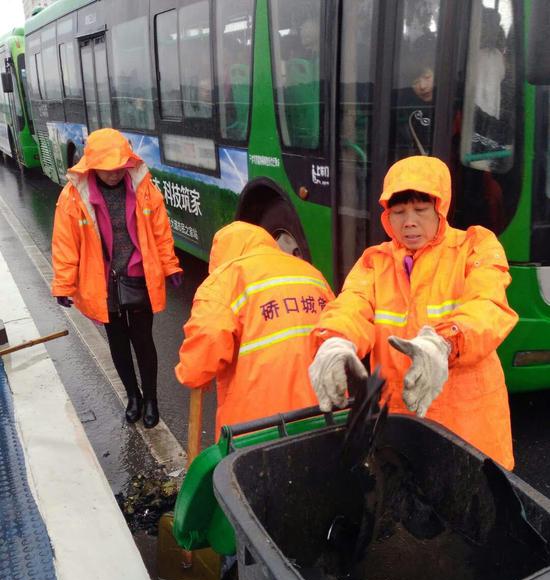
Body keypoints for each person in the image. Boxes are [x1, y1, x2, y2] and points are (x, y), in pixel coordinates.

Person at [308, 155, 518, 469]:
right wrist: (335, 340)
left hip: (469, 426)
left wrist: (445, 342)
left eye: (420, 211)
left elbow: (488, 306)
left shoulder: (475, 247)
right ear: (387, 216)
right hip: (401, 424)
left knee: (471, 509)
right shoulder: (375, 262)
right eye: (398, 212)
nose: (409, 222)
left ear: (440, 208)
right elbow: (351, 305)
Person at [51, 128, 183, 429]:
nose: (113, 174)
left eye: (118, 167)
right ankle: (133, 397)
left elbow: (161, 233)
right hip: (102, 283)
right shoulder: (73, 197)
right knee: (118, 343)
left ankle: (151, 399)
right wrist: (64, 282)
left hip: (138, 276)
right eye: (107, 169)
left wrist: (170, 266)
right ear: (92, 165)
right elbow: (65, 243)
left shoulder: (144, 188)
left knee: (143, 341)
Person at [175, 220, 334, 440]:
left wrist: (191, 374)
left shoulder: (223, 282)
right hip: (324, 413)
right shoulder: (312, 274)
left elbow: (203, 354)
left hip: (257, 429)